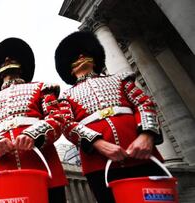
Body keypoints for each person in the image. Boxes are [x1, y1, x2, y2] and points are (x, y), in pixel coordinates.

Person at [54, 31, 165, 203]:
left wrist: (146, 135)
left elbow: (144, 104)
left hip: (143, 155)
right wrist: (98, 144)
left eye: (85, 52)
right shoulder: (65, 97)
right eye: (75, 56)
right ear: (68, 66)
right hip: (100, 164)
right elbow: (67, 124)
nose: (81, 56)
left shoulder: (121, 79)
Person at [0, 37, 68, 202]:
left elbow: (57, 118)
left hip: (44, 165)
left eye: (11, 57)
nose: (6, 60)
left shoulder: (42, 88)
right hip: (5, 171)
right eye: (3, 60)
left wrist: (34, 134)